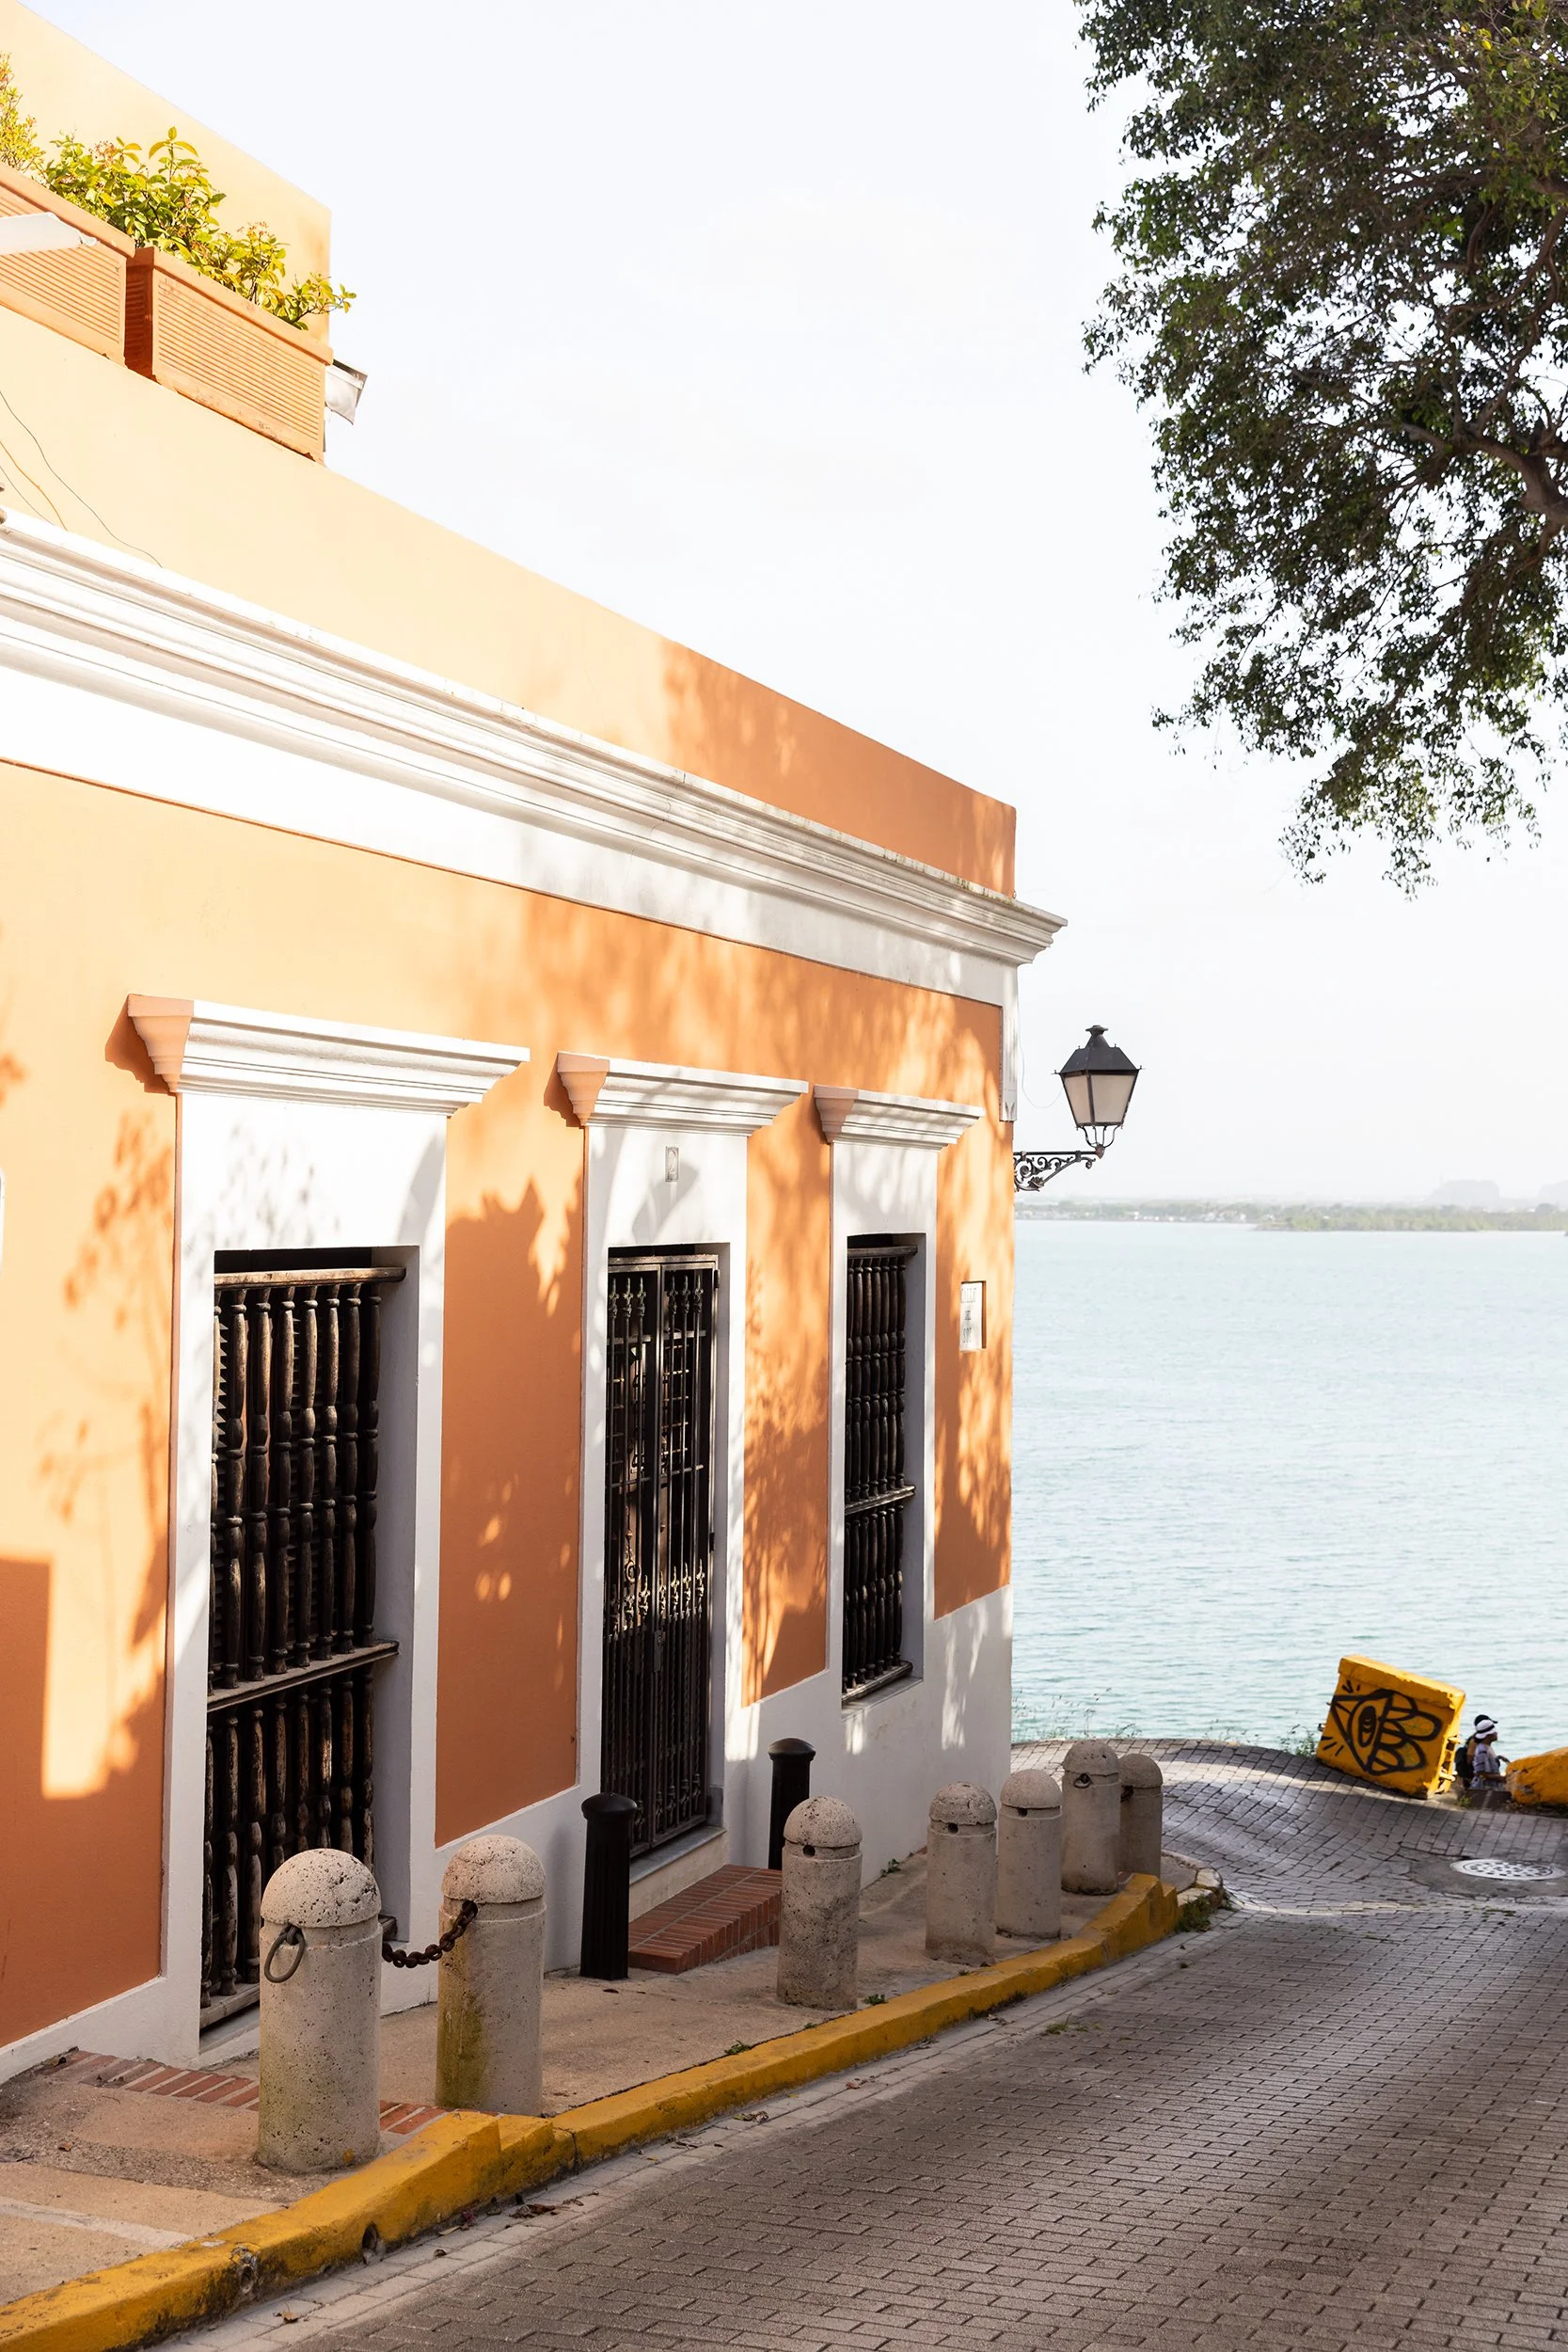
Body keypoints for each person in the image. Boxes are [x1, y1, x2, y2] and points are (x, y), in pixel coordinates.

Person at [1466, 1714, 1507, 1807]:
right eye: (1494, 1732)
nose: (1496, 1733)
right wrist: (1500, 1778)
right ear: (1487, 1735)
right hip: (1483, 1789)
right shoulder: (1482, 1751)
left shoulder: (1487, 1747)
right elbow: (1480, 1773)